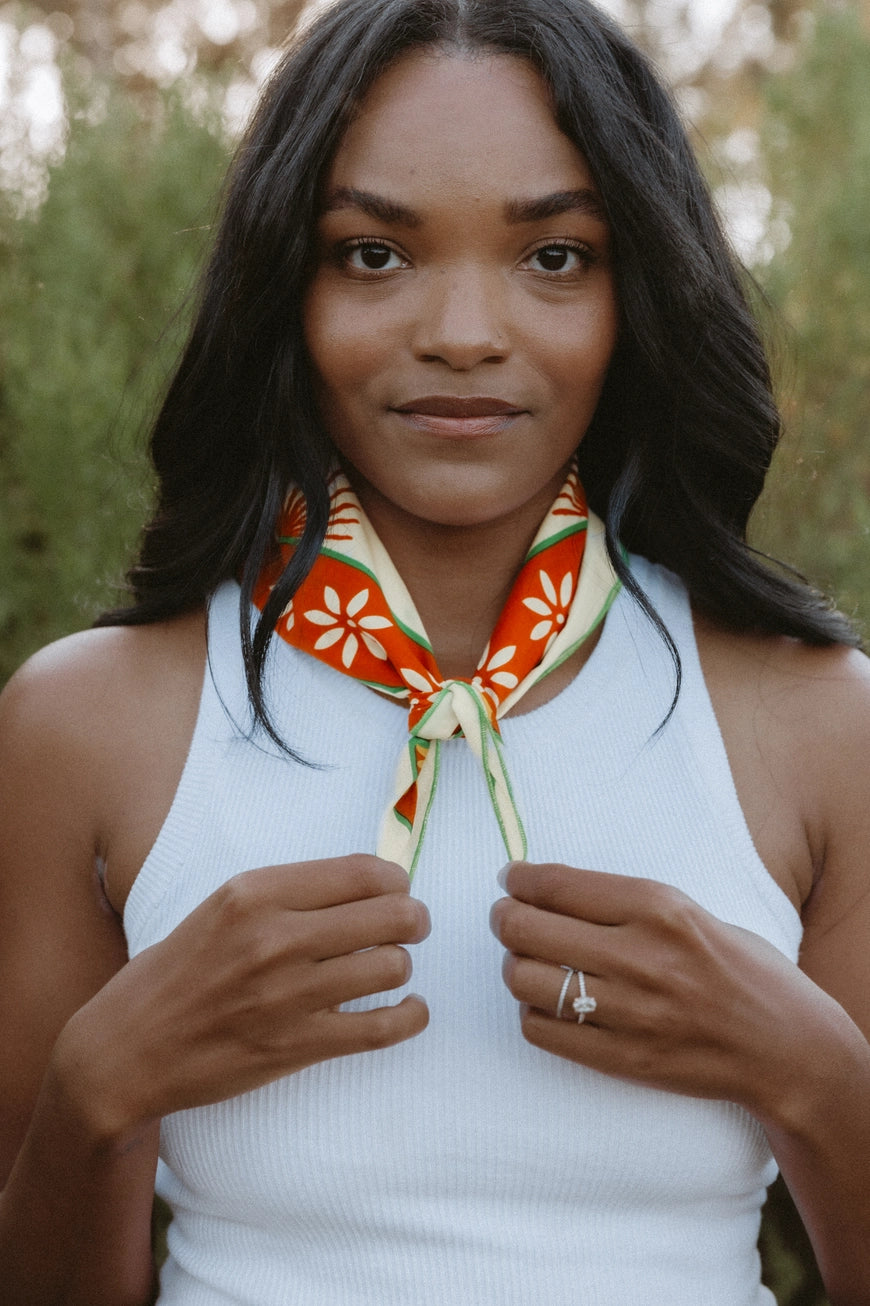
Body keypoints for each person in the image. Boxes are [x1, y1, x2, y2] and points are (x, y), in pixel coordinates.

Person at [1, 0, 869, 1302]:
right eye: (370, 255)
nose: (464, 330)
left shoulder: (820, 724)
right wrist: (96, 1091)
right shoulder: (87, 725)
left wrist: (819, 1078)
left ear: (643, 291)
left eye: (556, 257)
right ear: (277, 287)